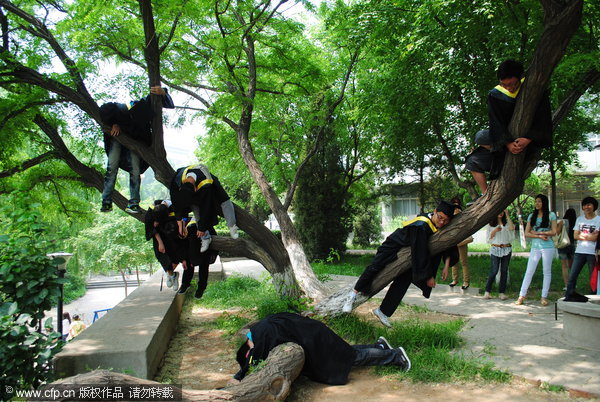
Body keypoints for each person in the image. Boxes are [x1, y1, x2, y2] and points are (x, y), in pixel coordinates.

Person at [342, 200, 457, 327]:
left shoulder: (438, 225)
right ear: (434, 212)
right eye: (440, 218)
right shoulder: (422, 225)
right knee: (376, 266)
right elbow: (420, 251)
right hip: (393, 246)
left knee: (405, 279)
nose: (442, 222)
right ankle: (353, 294)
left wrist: (446, 265)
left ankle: (383, 311)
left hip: (407, 253)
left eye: (446, 220)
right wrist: (428, 276)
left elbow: (448, 246)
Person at [231, 312, 411, 386]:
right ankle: (380, 346)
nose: (252, 351)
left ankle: (396, 356)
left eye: (250, 350)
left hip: (315, 338)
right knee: (345, 351)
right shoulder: (260, 329)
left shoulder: (263, 337)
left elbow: (255, 359)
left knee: (350, 357)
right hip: (313, 331)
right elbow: (253, 356)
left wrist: (239, 376)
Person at [465, 59, 552, 195]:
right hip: (505, 140)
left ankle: (500, 147)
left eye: (513, 84)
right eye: (505, 85)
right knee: (476, 147)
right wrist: (508, 143)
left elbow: (543, 118)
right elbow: (496, 122)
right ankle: (485, 195)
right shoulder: (496, 95)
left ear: (520, 77)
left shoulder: (534, 90)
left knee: (482, 138)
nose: (509, 88)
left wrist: (528, 138)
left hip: (529, 140)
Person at [99, 86, 175, 213]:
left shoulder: (143, 108)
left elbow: (168, 103)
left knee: (135, 170)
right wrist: (113, 124)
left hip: (135, 141)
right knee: (112, 167)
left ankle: (133, 203)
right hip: (117, 138)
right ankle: (106, 201)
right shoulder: (118, 109)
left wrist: (163, 93)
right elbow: (104, 113)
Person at [169, 164, 238, 253]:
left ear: (195, 189)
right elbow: (176, 202)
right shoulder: (177, 181)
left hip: (208, 182)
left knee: (224, 201)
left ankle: (232, 226)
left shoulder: (206, 183)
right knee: (195, 209)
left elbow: (206, 207)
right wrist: (180, 224)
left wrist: (201, 228)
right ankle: (206, 238)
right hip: (192, 184)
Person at [516, 194, 557, 306]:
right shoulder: (531, 216)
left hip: (548, 246)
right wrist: (539, 236)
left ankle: (544, 297)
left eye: (539, 201)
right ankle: (521, 295)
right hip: (535, 247)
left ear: (544, 202)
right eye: (536, 202)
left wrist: (538, 232)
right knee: (529, 271)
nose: (537, 204)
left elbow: (554, 232)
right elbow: (527, 233)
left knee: (547, 272)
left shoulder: (551, 215)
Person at [144, 200, 188, 292]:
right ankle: (172, 275)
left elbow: (184, 217)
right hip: (159, 235)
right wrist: (160, 242)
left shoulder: (175, 207)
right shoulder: (152, 210)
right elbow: (151, 228)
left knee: (176, 255)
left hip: (173, 234)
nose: (157, 222)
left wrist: (181, 227)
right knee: (162, 255)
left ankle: (171, 274)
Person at [564, 197, 600, 301]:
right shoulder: (580, 219)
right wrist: (589, 235)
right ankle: (569, 295)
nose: (586, 207)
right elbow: (575, 236)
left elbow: (595, 238)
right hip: (579, 251)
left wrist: (583, 234)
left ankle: (594, 297)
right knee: (572, 275)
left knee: (593, 277)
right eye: (584, 205)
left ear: (594, 206)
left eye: (589, 205)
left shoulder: (598, 220)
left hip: (593, 253)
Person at [483, 210, 515, 300]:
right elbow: (488, 239)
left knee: (504, 271)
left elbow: (512, 228)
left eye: (502, 211)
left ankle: (502, 292)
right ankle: (487, 291)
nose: (500, 212)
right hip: (495, 249)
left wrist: (508, 215)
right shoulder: (490, 224)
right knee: (494, 270)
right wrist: (494, 231)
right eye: (499, 210)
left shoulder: (507, 223)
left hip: (507, 248)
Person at [449, 198, 472, 290]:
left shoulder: (463, 215)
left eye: (457, 204)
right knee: (454, 262)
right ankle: (454, 280)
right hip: (453, 242)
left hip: (462, 241)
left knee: (463, 262)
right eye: (454, 204)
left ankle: (466, 281)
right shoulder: (450, 215)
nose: (456, 206)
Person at [557, 208, 577, 289]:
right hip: (572, 244)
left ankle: (566, 285)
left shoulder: (563, 221)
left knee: (564, 266)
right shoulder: (576, 222)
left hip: (563, 244)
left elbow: (557, 232)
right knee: (572, 266)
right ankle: (573, 284)